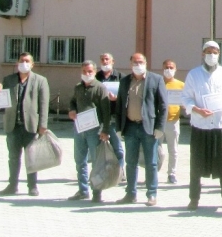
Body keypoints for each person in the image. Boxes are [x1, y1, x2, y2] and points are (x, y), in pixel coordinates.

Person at [182, 41, 222, 211]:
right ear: (202, 54)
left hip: (221, 125)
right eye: (208, 52)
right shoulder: (193, 74)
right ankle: (194, 199)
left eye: (214, 52)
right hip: (200, 126)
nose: (211, 55)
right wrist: (197, 110)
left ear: (219, 54)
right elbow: (185, 98)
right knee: (196, 164)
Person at [115, 53, 167, 206]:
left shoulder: (156, 80)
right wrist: (119, 127)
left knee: (151, 163)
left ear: (146, 63)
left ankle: (152, 194)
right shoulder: (125, 81)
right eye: (135, 62)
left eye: (140, 62)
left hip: (149, 128)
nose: (138, 65)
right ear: (130, 64)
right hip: (130, 126)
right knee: (131, 162)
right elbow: (119, 105)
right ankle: (130, 194)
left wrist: (160, 127)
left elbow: (163, 106)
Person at [0, 52, 49, 197]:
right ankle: (12, 185)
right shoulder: (9, 80)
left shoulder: (40, 80)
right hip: (13, 126)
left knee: (31, 158)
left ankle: (32, 186)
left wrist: (43, 125)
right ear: (17, 63)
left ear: (32, 64)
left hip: (31, 126)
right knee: (13, 158)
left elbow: (44, 104)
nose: (24, 63)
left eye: (27, 61)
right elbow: (1, 102)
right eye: (21, 60)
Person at [67, 60, 111, 203]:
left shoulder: (100, 88)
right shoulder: (78, 87)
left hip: (95, 130)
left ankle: (97, 191)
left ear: (95, 71)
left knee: (96, 162)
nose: (87, 74)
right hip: (80, 129)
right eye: (84, 71)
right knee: (80, 160)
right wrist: (72, 109)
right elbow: (72, 101)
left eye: (90, 71)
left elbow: (106, 111)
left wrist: (105, 130)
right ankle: (82, 190)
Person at [95, 53, 125, 173]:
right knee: (98, 147)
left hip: (114, 116)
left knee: (117, 147)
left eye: (107, 59)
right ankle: (101, 171)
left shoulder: (121, 77)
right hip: (98, 117)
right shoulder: (95, 77)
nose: (105, 61)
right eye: (102, 59)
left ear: (113, 61)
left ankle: (120, 171)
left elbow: (128, 96)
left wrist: (117, 98)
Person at [162, 59, 185, 184]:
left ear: (175, 70)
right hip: (158, 122)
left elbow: (186, 102)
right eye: (166, 67)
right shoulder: (158, 83)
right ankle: (153, 172)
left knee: (173, 150)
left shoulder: (181, 85)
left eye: (171, 68)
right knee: (156, 150)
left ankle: (171, 174)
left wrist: (185, 105)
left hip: (173, 121)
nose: (168, 70)